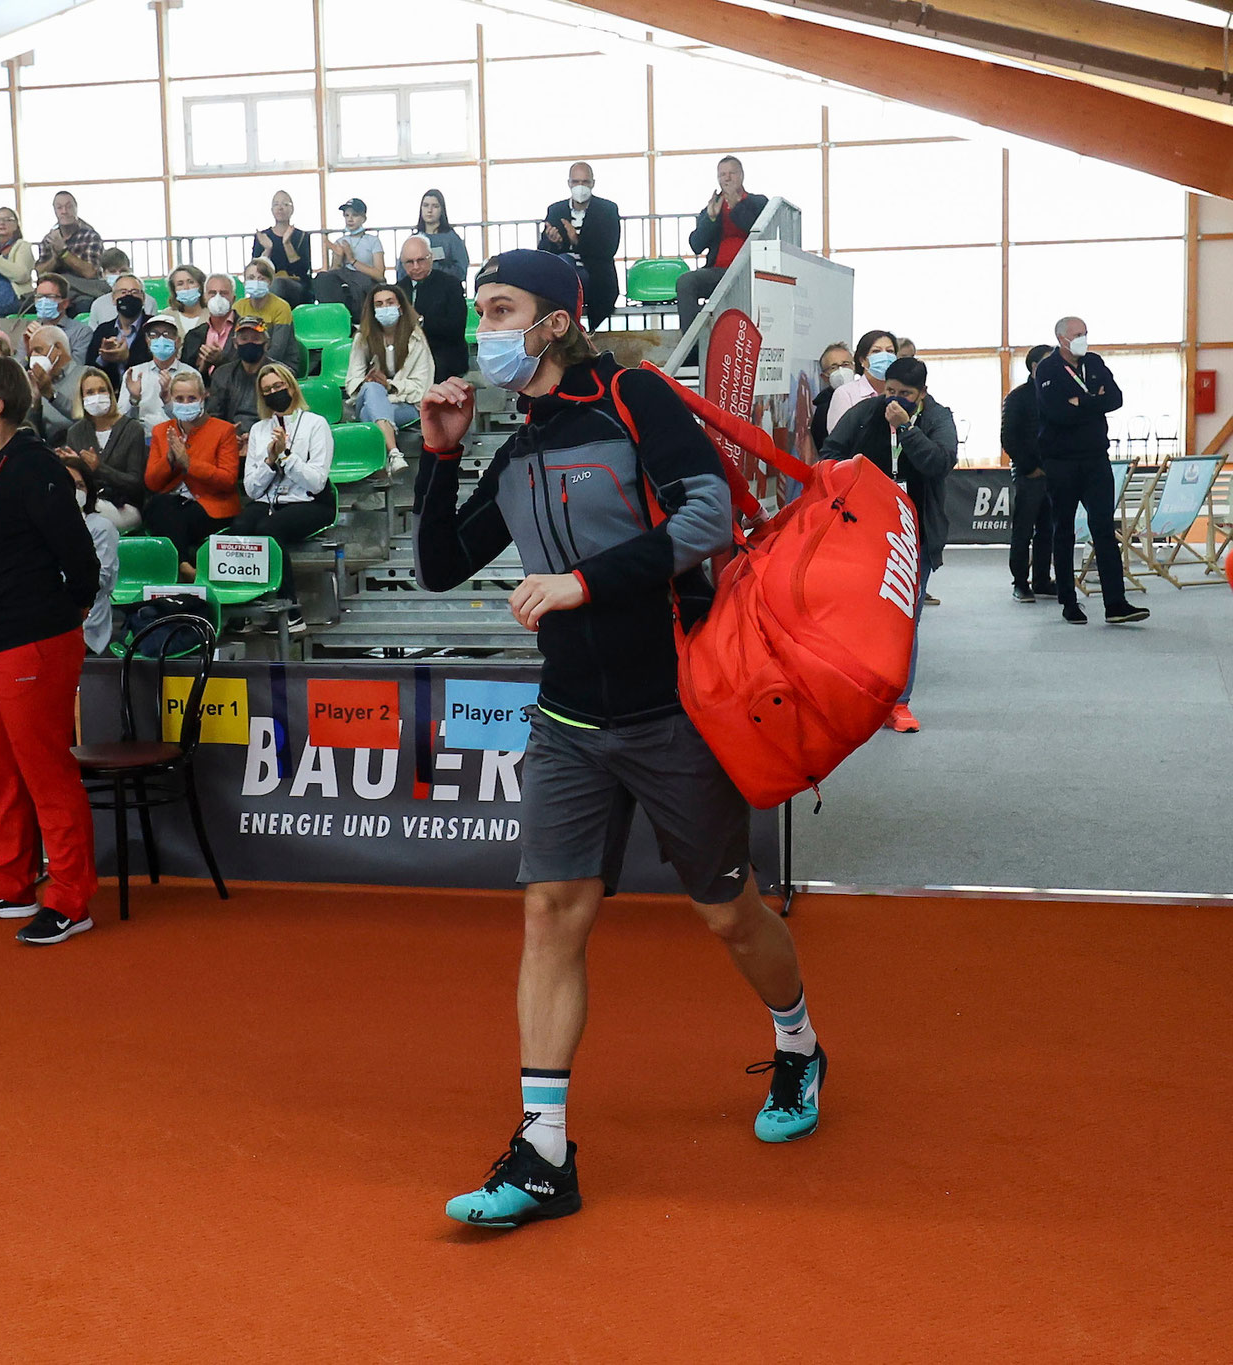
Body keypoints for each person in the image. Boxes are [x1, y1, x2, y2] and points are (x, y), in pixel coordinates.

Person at [415, 249, 825, 1230]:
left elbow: (706, 511)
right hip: (565, 719)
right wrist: (436, 456)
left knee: (726, 913)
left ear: (555, 321)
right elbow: (435, 566)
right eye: (480, 312)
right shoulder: (512, 450)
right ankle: (544, 1152)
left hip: (673, 710)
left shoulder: (634, 394)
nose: (487, 329)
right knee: (550, 912)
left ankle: (799, 1040)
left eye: (502, 309)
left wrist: (584, 582)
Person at [0, 352, 101, 944]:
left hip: (32, 640)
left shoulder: (35, 466)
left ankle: (71, 896)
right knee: (0, 770)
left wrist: (65, 613)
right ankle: (10, 881)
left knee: (46, 772)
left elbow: (79, 558)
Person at [819, 356, 958, 734]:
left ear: (922, 393)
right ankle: (857, 695)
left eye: (906, 394)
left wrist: (907, 428)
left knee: (904, 622)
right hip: (864, 531)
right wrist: (855, 482)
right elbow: (829, 455)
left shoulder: (936, 417)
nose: (895, 399)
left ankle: (899, 702)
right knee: (856, 616)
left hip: (915, 537)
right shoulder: (866, 412)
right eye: (890, 391)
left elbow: (940, 463)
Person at [1038, 317, 1148, 625]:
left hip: (1096, 459)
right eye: (1077, 335)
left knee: (1103, 529)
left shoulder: (1095, 362)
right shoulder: (1048, 370)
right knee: (1064, 530)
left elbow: (1115, 398)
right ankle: (1068, 601)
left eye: (1085, 334)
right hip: (1061, 462)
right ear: (1061, 339)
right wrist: (1093, 401)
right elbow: (1057, 412)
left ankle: (1116, 602)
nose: (1083, 339)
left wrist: (1080, 402)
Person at [232, 362, 335, 633]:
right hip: (269, 500)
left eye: (278, 386)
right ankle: (243, 606)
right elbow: (252, 490)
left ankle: (289, 609)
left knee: (269, 528)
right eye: (267, 390)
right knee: (239, 527)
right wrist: (269, 459)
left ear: (291, 386)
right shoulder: (258, 430)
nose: (274, 393)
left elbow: (316, 481)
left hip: (312, 502)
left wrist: (286, 456)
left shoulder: (316, 424)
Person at [141, 370, 240, 575]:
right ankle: (184, 565)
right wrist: (169, 459)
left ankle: (180, 565)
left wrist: (189, 463)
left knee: (173, 516)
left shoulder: (224, 430)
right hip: (172, 503)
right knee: (159, 505)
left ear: (203, 398)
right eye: (179, 398)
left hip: (212, 505)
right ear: (171, 399)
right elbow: (152, 483)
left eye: (192, 398)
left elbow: (228, 480)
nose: (185, 403)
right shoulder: (161, 431)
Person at [676, 156, 770, 342]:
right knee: (686, 282)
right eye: (722, 175)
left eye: (731, 173)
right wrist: (710, 219)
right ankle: (692, 344)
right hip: (718, 273)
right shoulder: (713, 207)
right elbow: (696, 245)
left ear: (741, 176)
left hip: (749, 272)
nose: (727, 179)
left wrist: (736, 207)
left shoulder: (758, 203)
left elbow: (757, 231)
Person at [346, 284, 433, 472]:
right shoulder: (363, 337)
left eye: (389, 302)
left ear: (400, 306)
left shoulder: (415, 337)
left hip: (406, 404)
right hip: (367, 398)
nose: (385, 307)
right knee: (371, 388)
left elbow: (421, 387)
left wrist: (389, 386)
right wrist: (370, 382)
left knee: (372, 412)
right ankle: (394, 452)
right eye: (379, 304)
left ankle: (387, 461)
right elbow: (352, 382)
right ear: (373, 310)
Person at [60, 367, 147, 533]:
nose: (97, 396)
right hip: (86, 501)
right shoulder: (75, 432)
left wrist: (98, 468)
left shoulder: (132, 429)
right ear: (82, 397)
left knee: (88, 520)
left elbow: (135, 484)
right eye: (90, 392)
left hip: (123, 506)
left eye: (102, 390)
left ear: (111, 393)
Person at [1002, 345, 1056, 603]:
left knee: (1049, 530)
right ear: (1034, 367)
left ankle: (1043, 580)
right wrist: (1029, 467)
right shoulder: (1018, 397)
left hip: (1056, 474)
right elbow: (1008, 438)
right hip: (1029, 474)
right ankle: (1020, 583)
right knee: (1023, 530)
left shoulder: (1058, 394)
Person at [538, 163, 621, 329]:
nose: (580, 187)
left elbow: (609, 248)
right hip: (563, 272)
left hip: (596, 274)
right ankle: (571, 328)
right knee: (563, 264)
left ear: (593, 183)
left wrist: (577, 241)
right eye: (576, 182)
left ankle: (571, 328)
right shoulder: (556, 210)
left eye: (585, 182)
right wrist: (555, 241)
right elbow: (543, 250)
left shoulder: (607, 210)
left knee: (565, 272)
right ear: (569, 183)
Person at [61, 459, 120, 655]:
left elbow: (99, 580)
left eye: (79, 486)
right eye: (67, 484)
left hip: (87, 616)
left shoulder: (101, 527)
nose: (74, 491)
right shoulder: (36, 527)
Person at [398, 236, 469, 384]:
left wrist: (421, 321)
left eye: (421, 260)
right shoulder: (398, 289)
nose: (416, 266)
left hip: (443, 352)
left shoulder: (451, 285)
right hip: (407, 353)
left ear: (431, 258)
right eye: (410, 262)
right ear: (402, 264)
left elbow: (456, 328)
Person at [205, 313, 279, 437]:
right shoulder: (223, 374)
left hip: (269, 436)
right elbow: (214, 416)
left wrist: (257, 436)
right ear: (235, 343)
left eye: (256, 339)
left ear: (266, 344)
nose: (249, 343)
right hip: (230, 438)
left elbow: (285, 415)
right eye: (244, 339)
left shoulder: (279, 374)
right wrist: (228, 434)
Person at [121, 316, 200, 431]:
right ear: (148, 341)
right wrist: (134, 399)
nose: (161, 339)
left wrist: (168, 400)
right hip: (143, 439)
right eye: (154, 335)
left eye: (167, 334)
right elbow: (122, 421)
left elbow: (195, 420)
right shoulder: (134, 373)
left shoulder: (192, 375)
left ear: (177, 341)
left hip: (180, 436)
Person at [313, 198, 387, 315]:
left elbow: (379, 275)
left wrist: (352, 260)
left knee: (356, 291)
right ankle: (333, 317)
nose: (350, 219)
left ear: (363, 218)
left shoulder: (373, 241)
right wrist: (338, 257)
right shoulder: (340, 241)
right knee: (323, 278)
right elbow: (334, 272)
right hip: (345, 283)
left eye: (355, 215)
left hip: (365, 284)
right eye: (346, 215)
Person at [33, 190, 106, 308]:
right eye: (59, 207)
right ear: (55, 211)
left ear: (76, 208)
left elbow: (91, 272)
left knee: (84, 304)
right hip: (55, 293)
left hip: (84, 291)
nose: (64, 211)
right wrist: (55, 258)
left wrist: (64, 252)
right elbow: (41, 273)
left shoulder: (91, 236)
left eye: (69, 207)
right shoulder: (49, 238)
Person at [22, 325, 85, 444]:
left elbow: (90, 420)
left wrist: (51, 395)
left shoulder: (86, 375)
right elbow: (31, 434)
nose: (33, 356)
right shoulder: (32, 382)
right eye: (31, 352)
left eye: (38, 350)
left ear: (58, 348)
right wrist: (35, 404)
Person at [88, 274, 153, 386]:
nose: (128, 296)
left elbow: (160, 363)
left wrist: (128, 358)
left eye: (134, 292)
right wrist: (104, 358)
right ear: (113, 299)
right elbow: (90, 368)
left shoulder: (154, 326)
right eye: (123, 292)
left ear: (143, 298)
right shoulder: (103, 330)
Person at [825, 329, 896, 431]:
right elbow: (838, 438)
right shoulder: (845, 394)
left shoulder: (901, 393)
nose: (885, 356)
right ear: (862, 360)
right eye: (876, 351)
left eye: (890, 351)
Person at [252, 189, 313, 306]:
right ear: (272, 210)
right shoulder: (263, 236)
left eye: (285, 204)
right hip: (268, 284)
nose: (280, 208)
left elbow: (302, 270)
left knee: (278, 284)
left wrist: (287, 244)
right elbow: (256, 270)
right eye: (276, 204)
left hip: (296, 285)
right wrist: (267, 249)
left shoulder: (302, 236)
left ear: (292, 209)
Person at [15, 273, 93, 364]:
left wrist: (45, 342)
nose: (43, 301)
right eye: (39, 297)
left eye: (49, 297)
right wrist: (28, 354)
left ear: (65, 303)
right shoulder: (31, 331)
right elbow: (19, 368)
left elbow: (75, 369)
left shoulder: (81, 332)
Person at [407, 189, 470, 286]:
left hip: (447, 290)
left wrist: (433, 269)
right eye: (425, 205)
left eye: (435, 206)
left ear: (442, 210)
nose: (429, 210)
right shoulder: (413, 240)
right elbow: (402, 271)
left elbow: (461, 271)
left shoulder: (452, 238)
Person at [809, 342, 854, 452]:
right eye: (834, 367)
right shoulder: (823, 410)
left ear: (854, 366)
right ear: (824, 377)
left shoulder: (868, 396)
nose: (841, 370)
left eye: (845, 364)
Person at [236, 257, 295, 334]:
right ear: (244, 282)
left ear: (270, 283)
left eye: (261, 279)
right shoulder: (238, 307)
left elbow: (279, 343)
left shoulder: (282, 307)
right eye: (251, 278)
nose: (256, 282)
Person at [85, 249, 135, 327]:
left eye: (123, 271)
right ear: (103, 273)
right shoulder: (98, 304)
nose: (119, 274)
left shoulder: (148, 302)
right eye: (112, 271)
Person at [161, 265, 210, 336]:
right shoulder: (167, 315)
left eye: (191, 282)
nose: (186, 287)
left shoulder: (211, 314)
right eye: (180, 284)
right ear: (174, 289)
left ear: (201, 286)